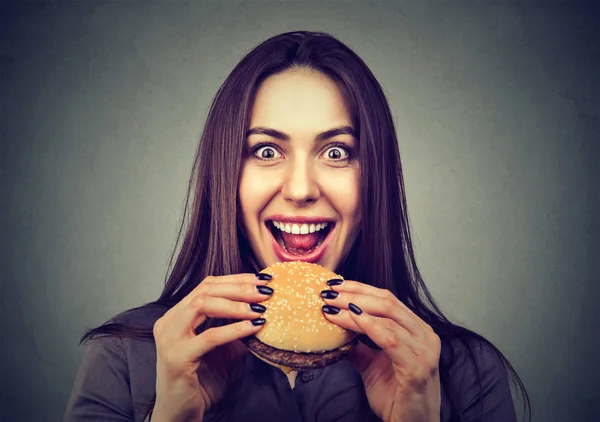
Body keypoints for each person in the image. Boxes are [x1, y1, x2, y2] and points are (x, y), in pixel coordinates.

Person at [64, 31, 531, 422]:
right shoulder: (123, 357)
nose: (302, 188)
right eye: (266, 151)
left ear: (375, 180)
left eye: (337, 152)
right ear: (225, 173)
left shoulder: (464, 371)